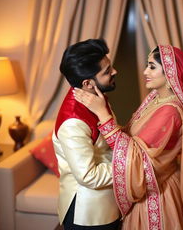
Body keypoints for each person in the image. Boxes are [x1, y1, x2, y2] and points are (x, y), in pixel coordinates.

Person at [73, 44, 183, 230]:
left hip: (157, 191)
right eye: (147, 65)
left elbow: (137, 159)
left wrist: (102, 114)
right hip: (150, 188)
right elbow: (132, 137)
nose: (145, 71)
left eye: (152, 67)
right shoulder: (156, 98)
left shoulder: (170, 112)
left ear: (171, 73)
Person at [52, 39, 120, 230]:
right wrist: (130, 167)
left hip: (108, 204)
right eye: (107, 71)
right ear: (87, 83)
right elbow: (88, 176)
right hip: (89, 214)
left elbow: (107, 141)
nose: (114, 71)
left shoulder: (95, 98)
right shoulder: (73, 122)